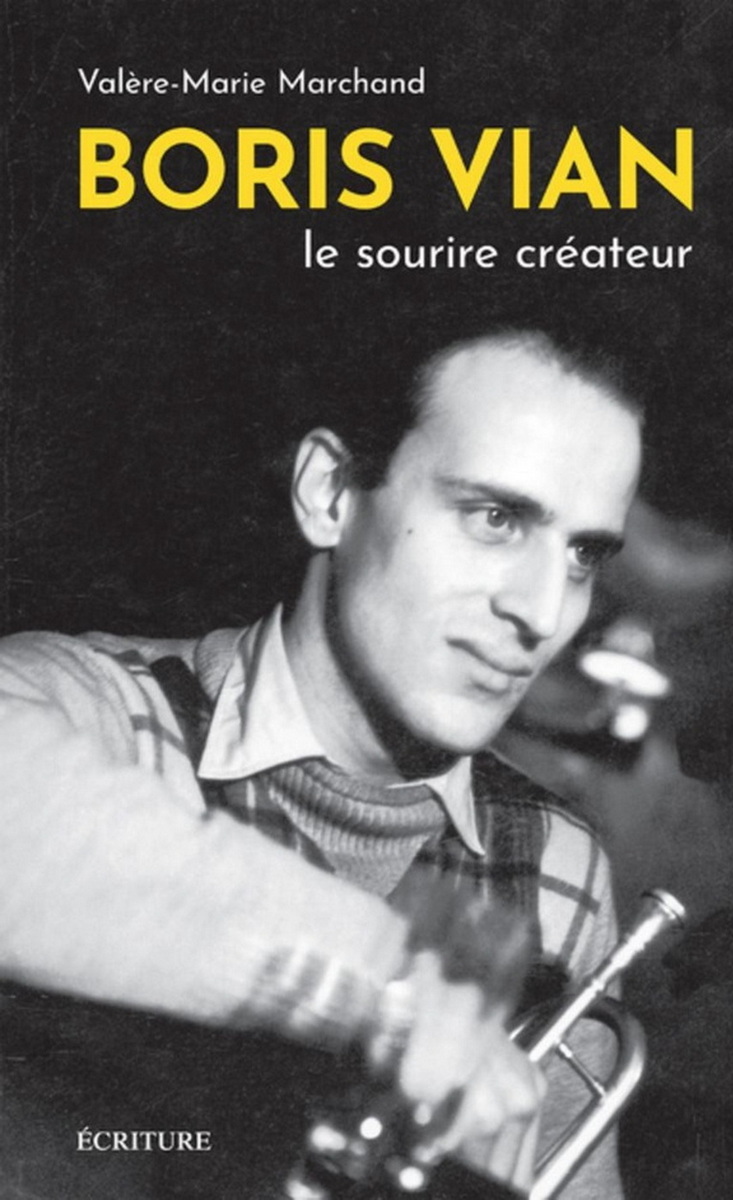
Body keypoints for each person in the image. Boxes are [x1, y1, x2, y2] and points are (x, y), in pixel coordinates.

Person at [0, 323, 642, 1200]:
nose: (542, 611)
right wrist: (396, 983)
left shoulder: (563, 875)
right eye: (495, 518)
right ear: (330, 493)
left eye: (583, 554)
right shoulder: (102, 713)